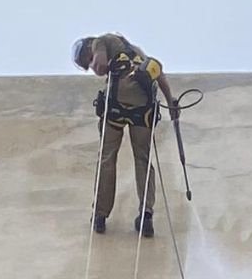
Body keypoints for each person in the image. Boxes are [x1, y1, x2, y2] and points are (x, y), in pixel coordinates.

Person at [73, 34, 178, 237]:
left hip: (117, 104)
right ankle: (146, 215)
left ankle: (100, 215)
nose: (88, 65)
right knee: (143, 159)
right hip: (143, 108)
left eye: (85, 61)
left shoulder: (101, 41)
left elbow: (101, 66)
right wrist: (171, 101)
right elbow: (158, 73)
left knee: (107, 157)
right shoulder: (137, 53)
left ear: (87, 48)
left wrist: (95, 64)